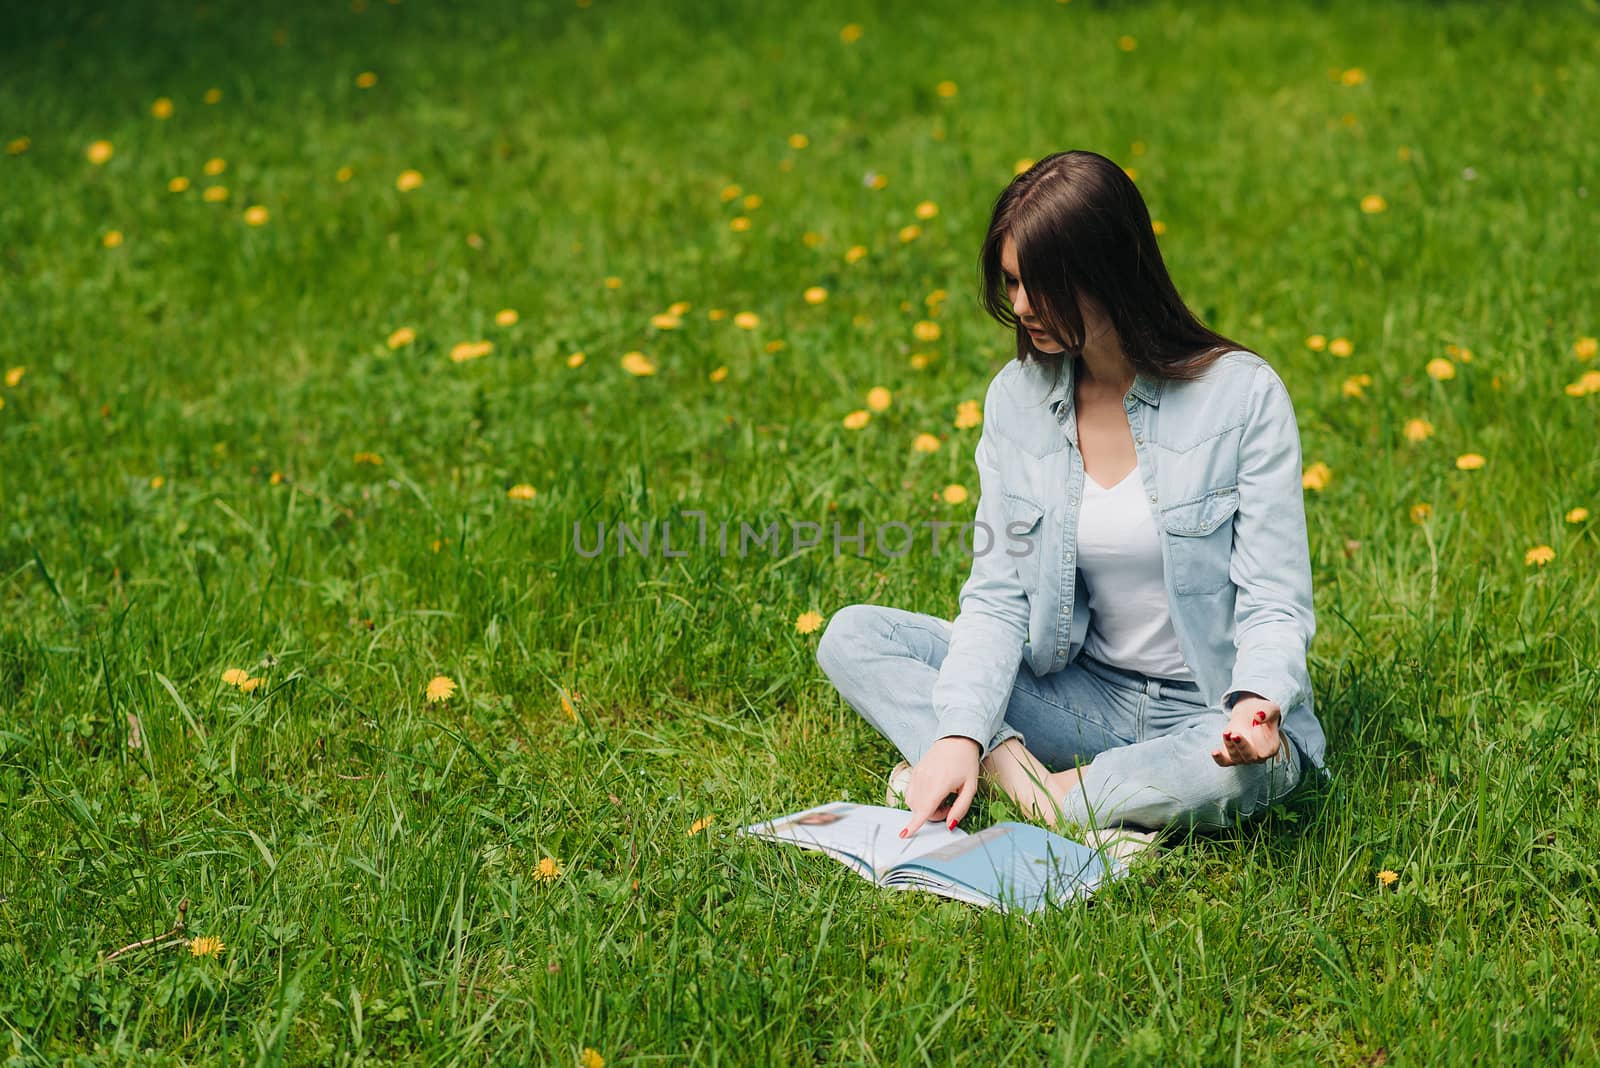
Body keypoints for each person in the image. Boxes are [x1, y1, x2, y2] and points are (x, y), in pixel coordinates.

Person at [816, 150, 1327, 845]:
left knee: (1231, 775)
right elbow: (997, 597)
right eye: (1013, 282)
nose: (1022, 307)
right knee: (854, 636)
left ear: (1110, 276)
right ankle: (1042, 784)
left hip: (1212, 715)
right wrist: (963, 731)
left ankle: (1034, 788)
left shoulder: (1242, 397)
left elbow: (1275, 598)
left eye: (1042, 286)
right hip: (1085, 697)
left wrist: (1259, 706)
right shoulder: (1017, 401)